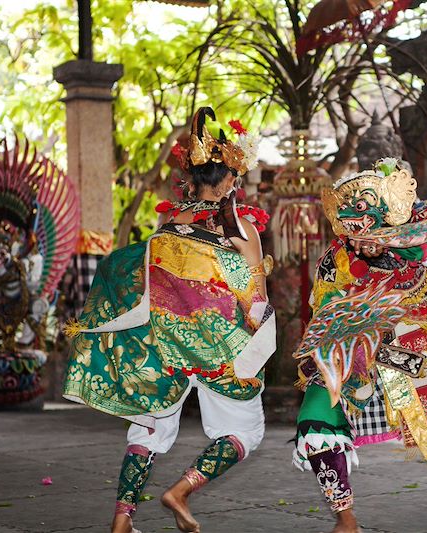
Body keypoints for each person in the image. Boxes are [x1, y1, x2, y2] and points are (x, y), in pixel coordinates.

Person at [63, 107, 275, 533]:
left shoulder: (170, 224)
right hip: (220, 349)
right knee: (245, 432)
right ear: (232, 180)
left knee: (148, 430)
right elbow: (254, 297)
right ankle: (181, 490)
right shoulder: (242, 229)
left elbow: (148, 284)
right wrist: (263, 328)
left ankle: (122, 520)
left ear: (190, 182)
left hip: (163, 346)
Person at [292, 159, 427, 533]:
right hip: (350, 359)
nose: (358, 242)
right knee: (315, 425)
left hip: (417, 360)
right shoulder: (335, 260)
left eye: (365, 233)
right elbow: (322, 312)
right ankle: (346, 520)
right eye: (351, 234)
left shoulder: (422, 263)